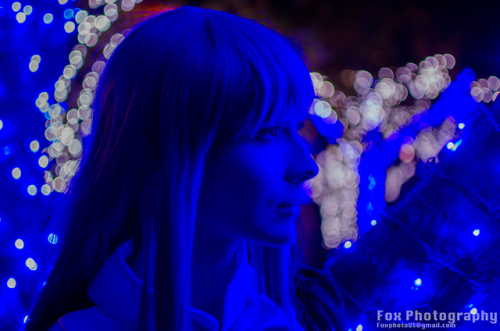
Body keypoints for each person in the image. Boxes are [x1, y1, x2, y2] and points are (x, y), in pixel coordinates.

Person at [25, 4, 347, 331]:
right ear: (161, 157)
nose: (307, 166)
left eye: (298, 128)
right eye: (267, 132)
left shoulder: (306, 315)